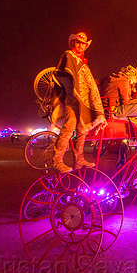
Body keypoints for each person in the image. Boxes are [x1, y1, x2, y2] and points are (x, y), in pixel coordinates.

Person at [51, 32, 108, 173]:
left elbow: (86, 83)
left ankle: (79, 158)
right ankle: (57, 160)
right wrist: (73, 89)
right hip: (72, 99)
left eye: (83, 43)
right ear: (73, 43)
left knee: (82, 129)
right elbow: (63, 75)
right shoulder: (69, 56)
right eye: (77, 42)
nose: (80, 45)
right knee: (69, 127)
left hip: (82, 101)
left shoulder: (82, 61)